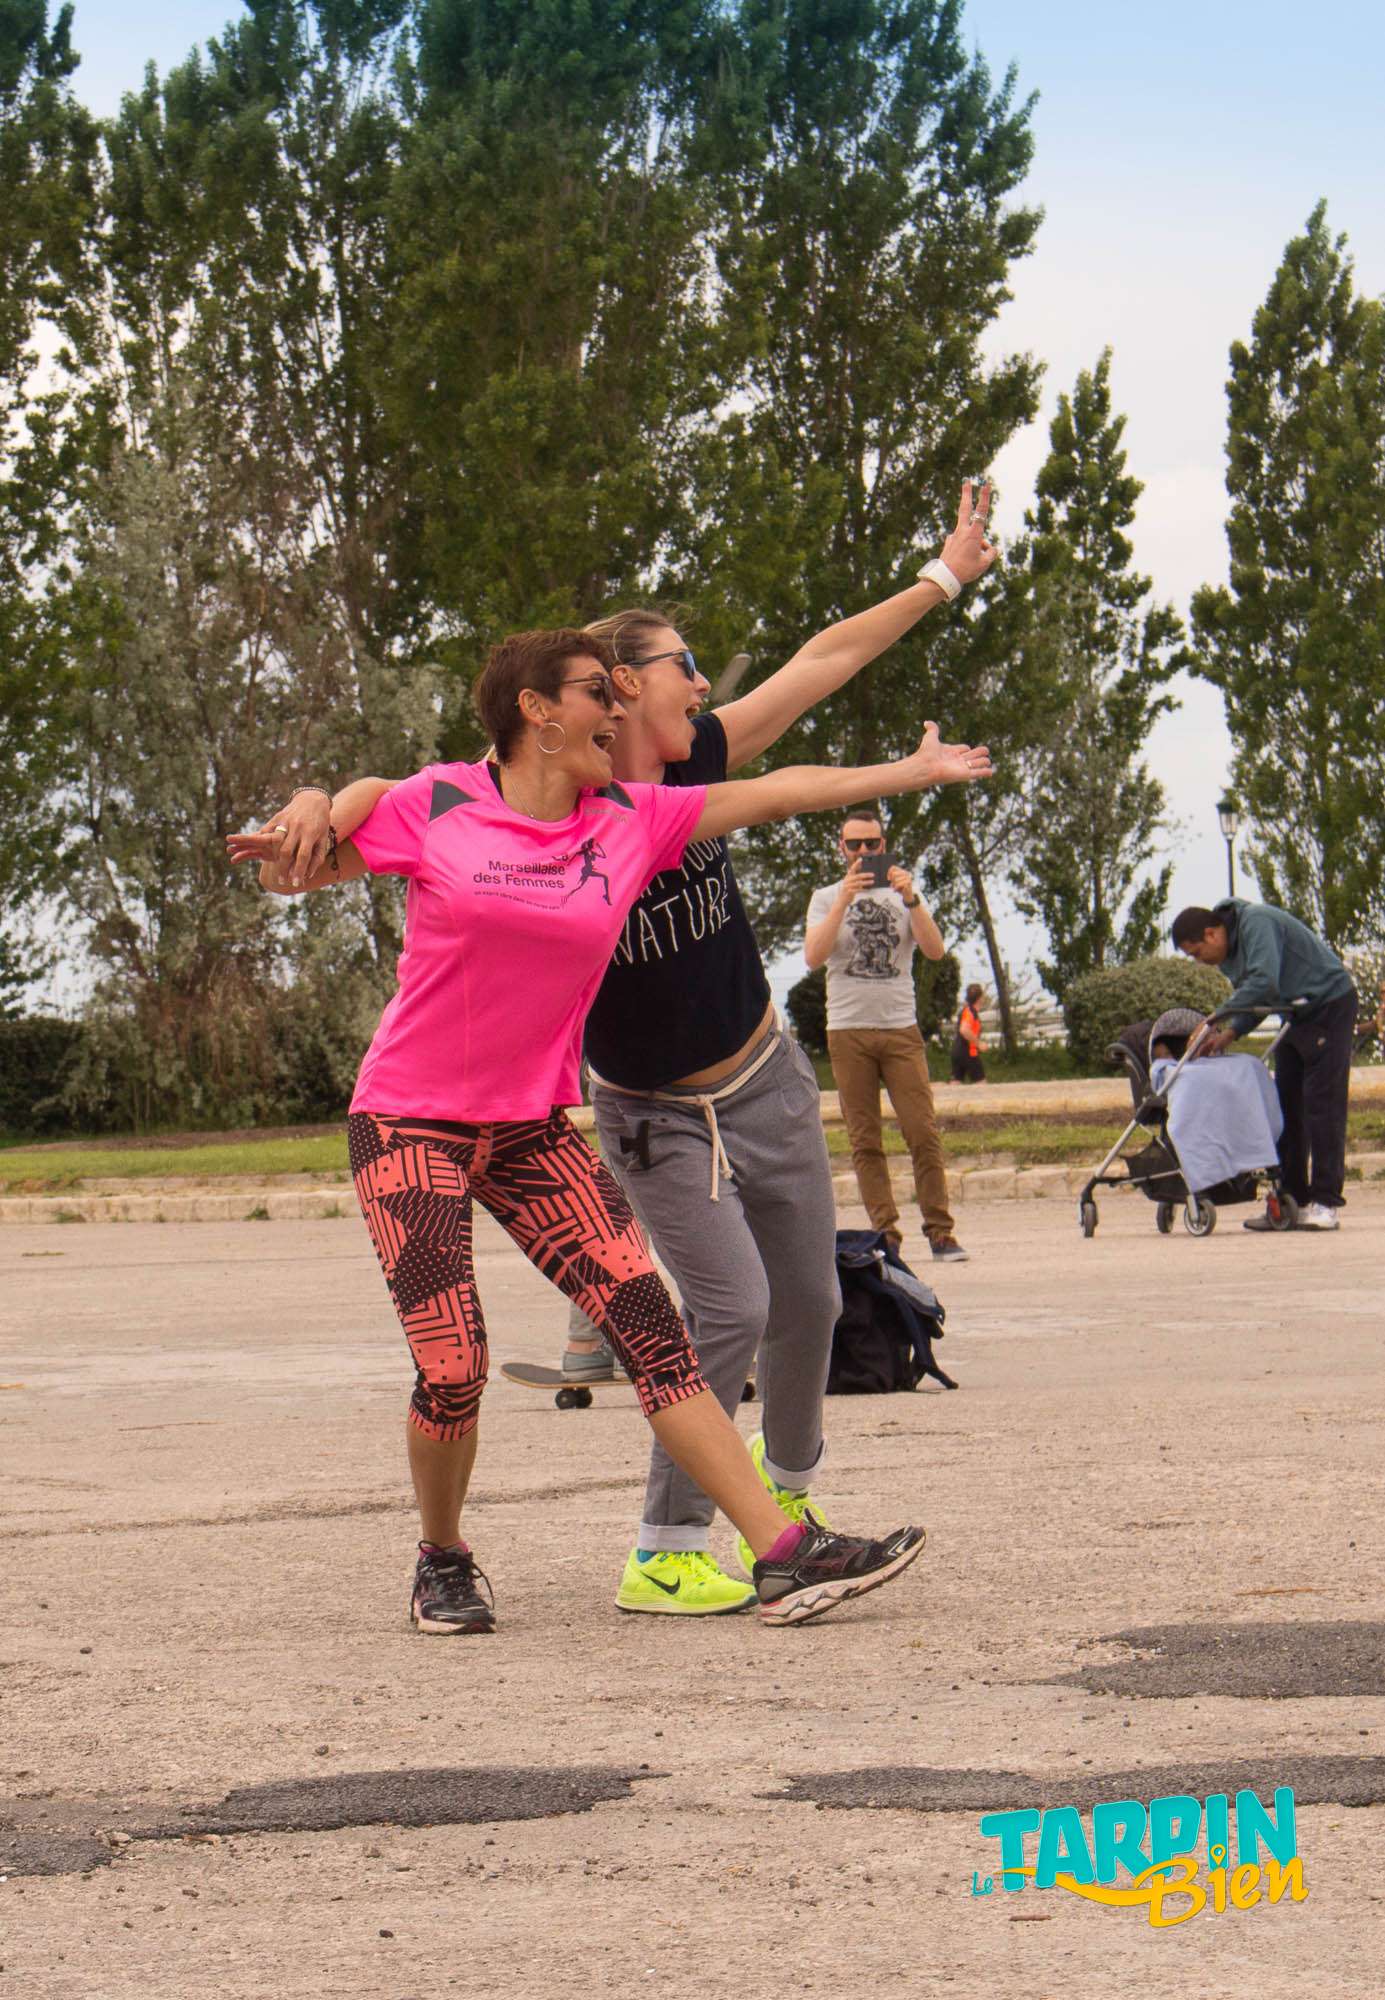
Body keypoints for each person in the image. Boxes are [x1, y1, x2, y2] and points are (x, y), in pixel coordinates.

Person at [260, 481, 997, 1617]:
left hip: (532, 1126)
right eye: (597, 694)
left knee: (658, 1331)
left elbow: (777, 788)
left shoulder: (630, 818)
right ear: (537, 712)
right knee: (453, 1362)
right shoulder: (444, 802)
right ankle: (442, 1555)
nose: (620, 710)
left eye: (621, 692)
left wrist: (902, 774)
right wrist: (315, 805)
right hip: (410, 1119)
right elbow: (318, 852)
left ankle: (779, 1549)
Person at [804, 813, 967, 1263]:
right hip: (847, 1029)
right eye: (854, 845)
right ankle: (885, 1234)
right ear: (840, 847)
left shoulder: (904, 894)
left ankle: (940, 1231)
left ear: (884, 844)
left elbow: (934, 950)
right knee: (865, 1140)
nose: (863, 853)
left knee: (922, 1132)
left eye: (871, 845)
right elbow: (813, 957)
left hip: (899, 1028)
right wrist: (843, 900)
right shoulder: (825, 897)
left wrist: (911, 899)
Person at [1171, 898, 1358, 1232]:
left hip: (1327, 1004)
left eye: (1197, 953)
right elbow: (1259, 998)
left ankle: (1326, 1202)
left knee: (1322, 1106)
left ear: (1212, 934)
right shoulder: (1230, 955)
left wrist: (1213, 1019)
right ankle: (1291, 1201)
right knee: (1285, 1107)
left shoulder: (1256, 923)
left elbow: (1264, 983)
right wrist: (1229, 1034)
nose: (1200, 962)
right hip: (1293, 1013)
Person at [951, 983, 988, 1084]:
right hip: (968, 1052)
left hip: (957, 1051)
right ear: (980, 998)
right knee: (982, 1084)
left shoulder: (966, 1010)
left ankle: (933, 1088)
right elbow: (964, 1030)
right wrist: (979, 1044)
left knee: (955, 1084)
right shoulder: (970, 1011)